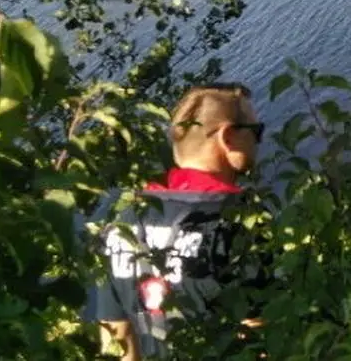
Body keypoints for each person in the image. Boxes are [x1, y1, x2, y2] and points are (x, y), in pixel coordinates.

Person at [90, 83, 270, 360]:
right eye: (256, 132)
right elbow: (263, 337)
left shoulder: (121, 221)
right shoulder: (236, 220)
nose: (259, 140)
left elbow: (116, 340)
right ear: (228, 138)